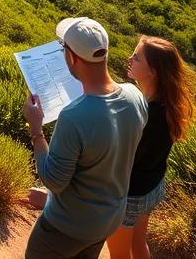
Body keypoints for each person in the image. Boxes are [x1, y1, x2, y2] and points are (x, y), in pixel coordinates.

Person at [24, 17, 148, 259]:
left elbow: (54, 181)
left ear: (71, 57)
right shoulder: (136, 96)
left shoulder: (73, 116)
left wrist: (36, 129)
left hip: (66, 227)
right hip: (107, 220)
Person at [105, 36, 196, 259]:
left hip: (131, 194)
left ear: (153, 72)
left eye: (136, 57)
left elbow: (126, 159)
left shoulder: (148, 114)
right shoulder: (165, 103)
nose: (129, 59)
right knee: (138, 243)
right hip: (151, 187)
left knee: (119, 254)